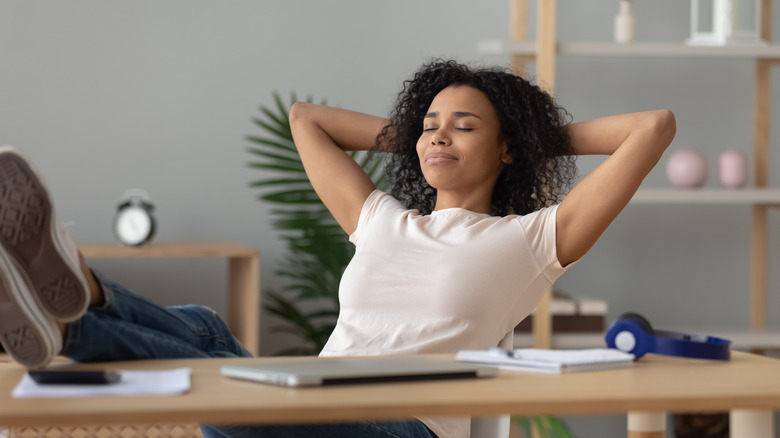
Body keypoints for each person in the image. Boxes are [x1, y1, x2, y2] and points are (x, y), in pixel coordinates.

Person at [0, 59, 676, 438]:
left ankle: (75, 314)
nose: (438, 137)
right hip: (313, 398)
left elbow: (652, 126)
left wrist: (524, 135)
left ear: (505, 148)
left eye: (462, 127)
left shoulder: (529, 240)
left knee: (238, 404)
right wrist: (426, 134)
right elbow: (308, 121)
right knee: (204, 327)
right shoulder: (383, 220)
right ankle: (76, 299)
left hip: (403, 429)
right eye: (429, 126)